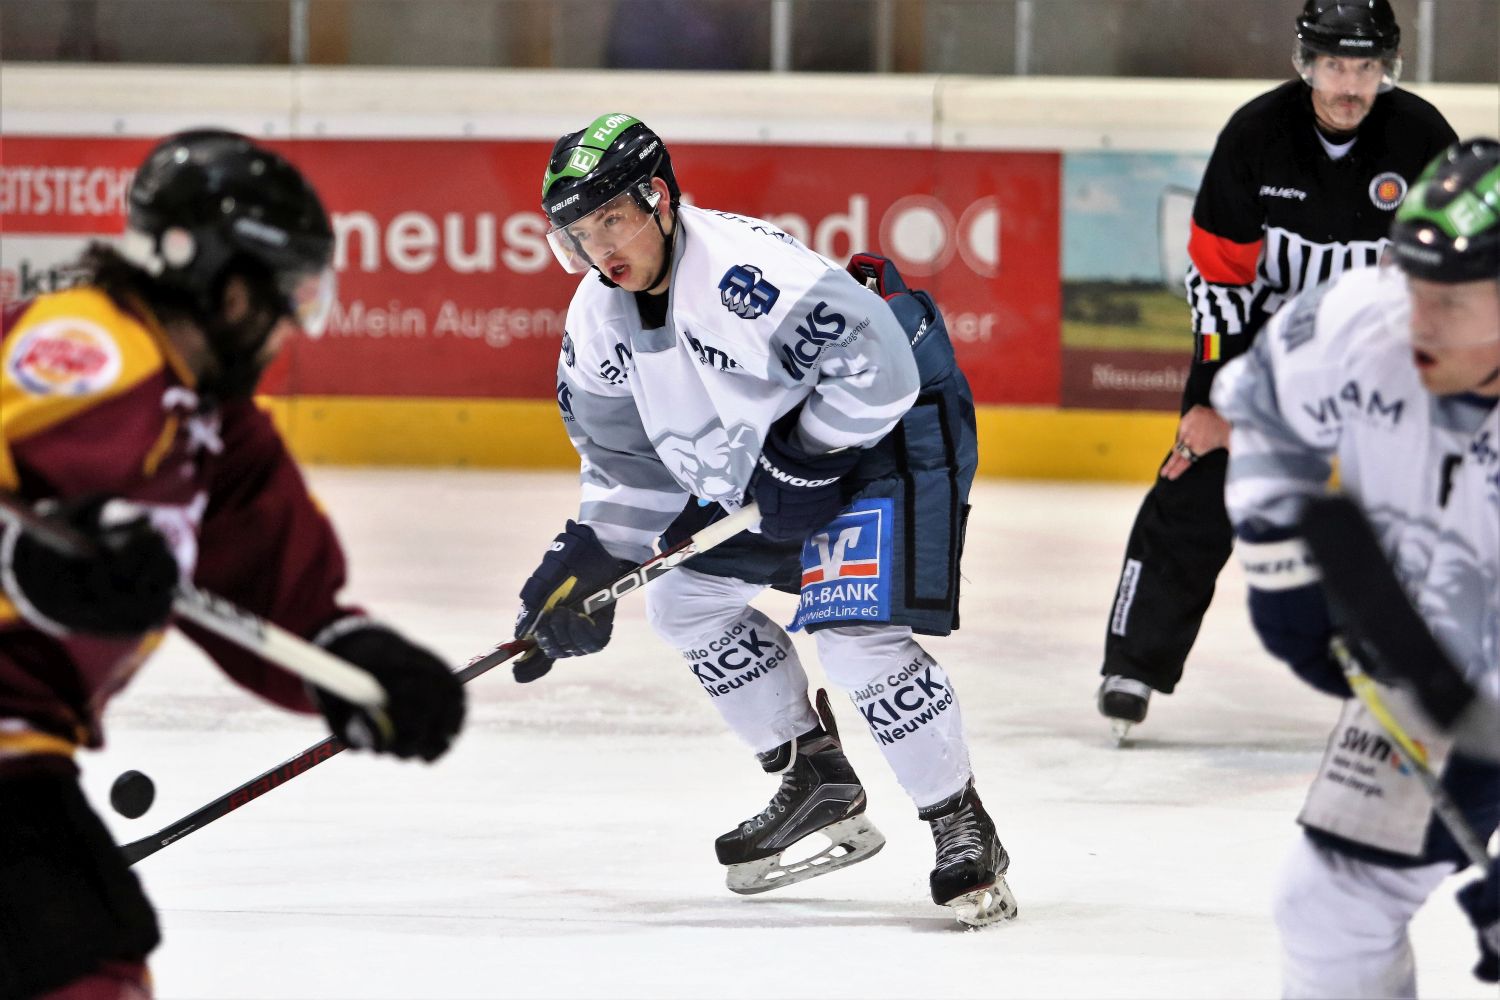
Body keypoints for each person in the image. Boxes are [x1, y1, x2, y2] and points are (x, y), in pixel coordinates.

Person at [511, 112, 1012, 926]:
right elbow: (628, 463)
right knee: (684, 603)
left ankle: (962, 824)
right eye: (578, 233)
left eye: (612, 219)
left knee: (854, 642)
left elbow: (877, 367)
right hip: (771, 465)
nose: (599, 249)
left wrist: (805, 458)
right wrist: (592, 557)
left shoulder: (747, 274)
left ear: (660, 201)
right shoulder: (595, 318)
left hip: (882, 440)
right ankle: (816, 776)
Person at [0, 130, 466, 1000]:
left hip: (24, 750)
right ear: (226, 281)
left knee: (93, 968)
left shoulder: (218, 426)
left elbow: (279, 601)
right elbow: (37, 523)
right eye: (285, 290)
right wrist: (32, 556)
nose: (291, 320)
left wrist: (353, 665)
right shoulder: (89, 343)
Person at [1096, 0, 1457, 740]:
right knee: (1193, 481)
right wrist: (1212, 401)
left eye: (1365, 66)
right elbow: (1219, 283)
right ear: (1306, 63)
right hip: (1271, 361)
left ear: (1387, 67)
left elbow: (1453, 284)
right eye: (1334, 65)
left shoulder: (1423, 140)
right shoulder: (1255, 136)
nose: (1350, 84)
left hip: (1382, 366)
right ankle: (1134, 664)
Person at [1213, 138, 1499, 997]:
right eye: (1413, 284)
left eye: (1448, 299)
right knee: (1328, 903)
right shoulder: (1360, 320)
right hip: (1427, 683)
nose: (1420, 318)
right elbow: (1263, 403)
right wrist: (1278, 560)